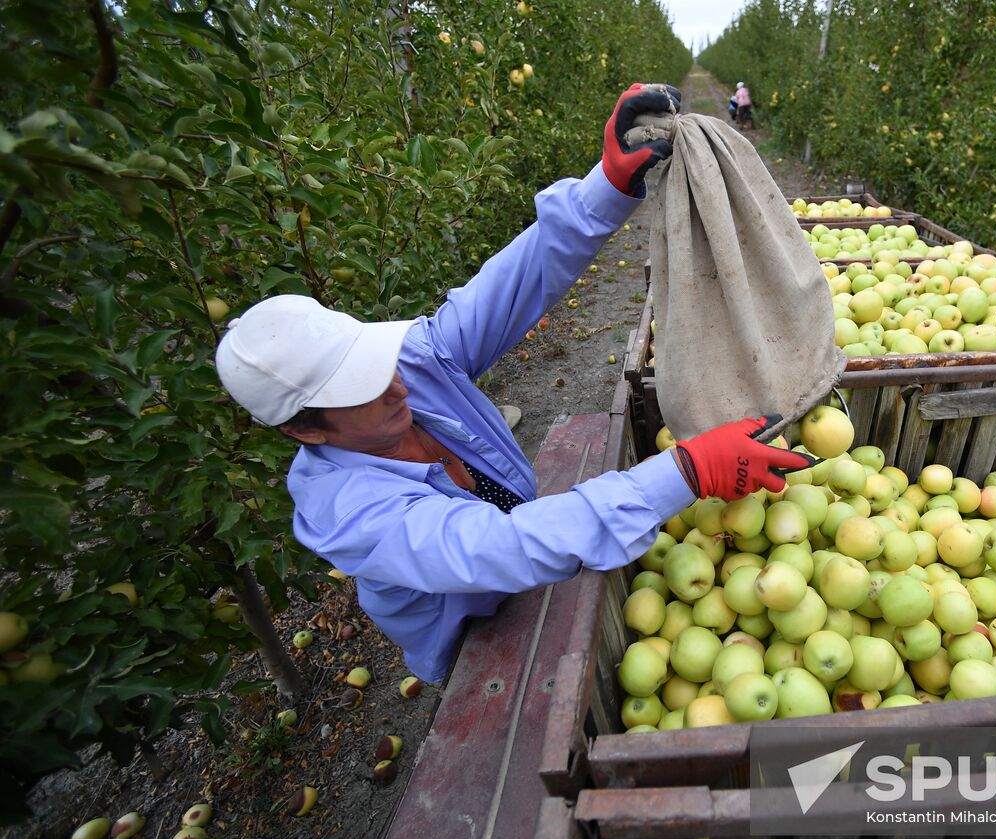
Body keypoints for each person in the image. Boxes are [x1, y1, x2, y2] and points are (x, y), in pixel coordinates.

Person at [215, 83, 814, 683]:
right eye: (362, 391)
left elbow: (518, 279)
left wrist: (606, 184)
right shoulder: (344, 514)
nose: (395, 386)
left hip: (539, 554)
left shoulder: (414, 361)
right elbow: (498, 548)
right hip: (473, 642)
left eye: (377, 364)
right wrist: (685, 471)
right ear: (305, 430)